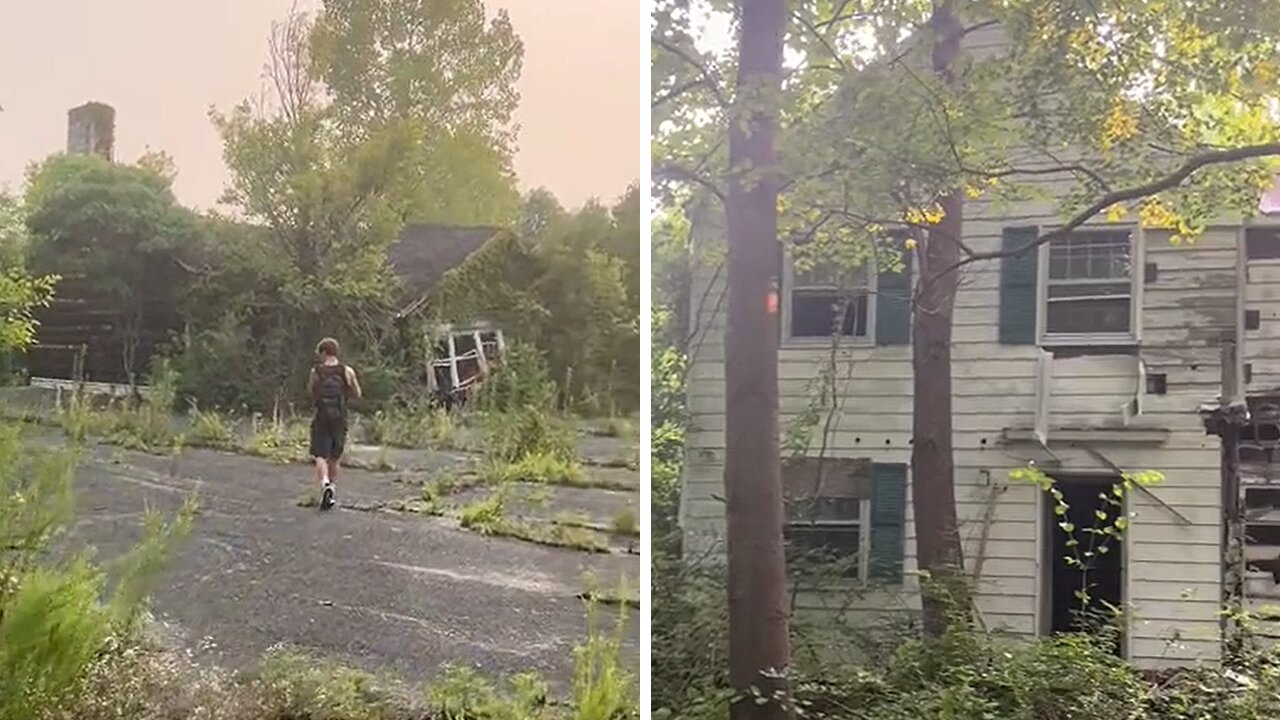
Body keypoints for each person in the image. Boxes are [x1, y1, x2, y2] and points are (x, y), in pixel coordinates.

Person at [308, 337, 361, 510]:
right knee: (334, 456)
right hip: (340, 417)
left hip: (321, 416)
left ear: (323, 352)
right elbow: (357, 392)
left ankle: (324, 485)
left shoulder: (316, 371)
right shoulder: (347, 371)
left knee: (320, 454)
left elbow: (311, 391)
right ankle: (332, 488)